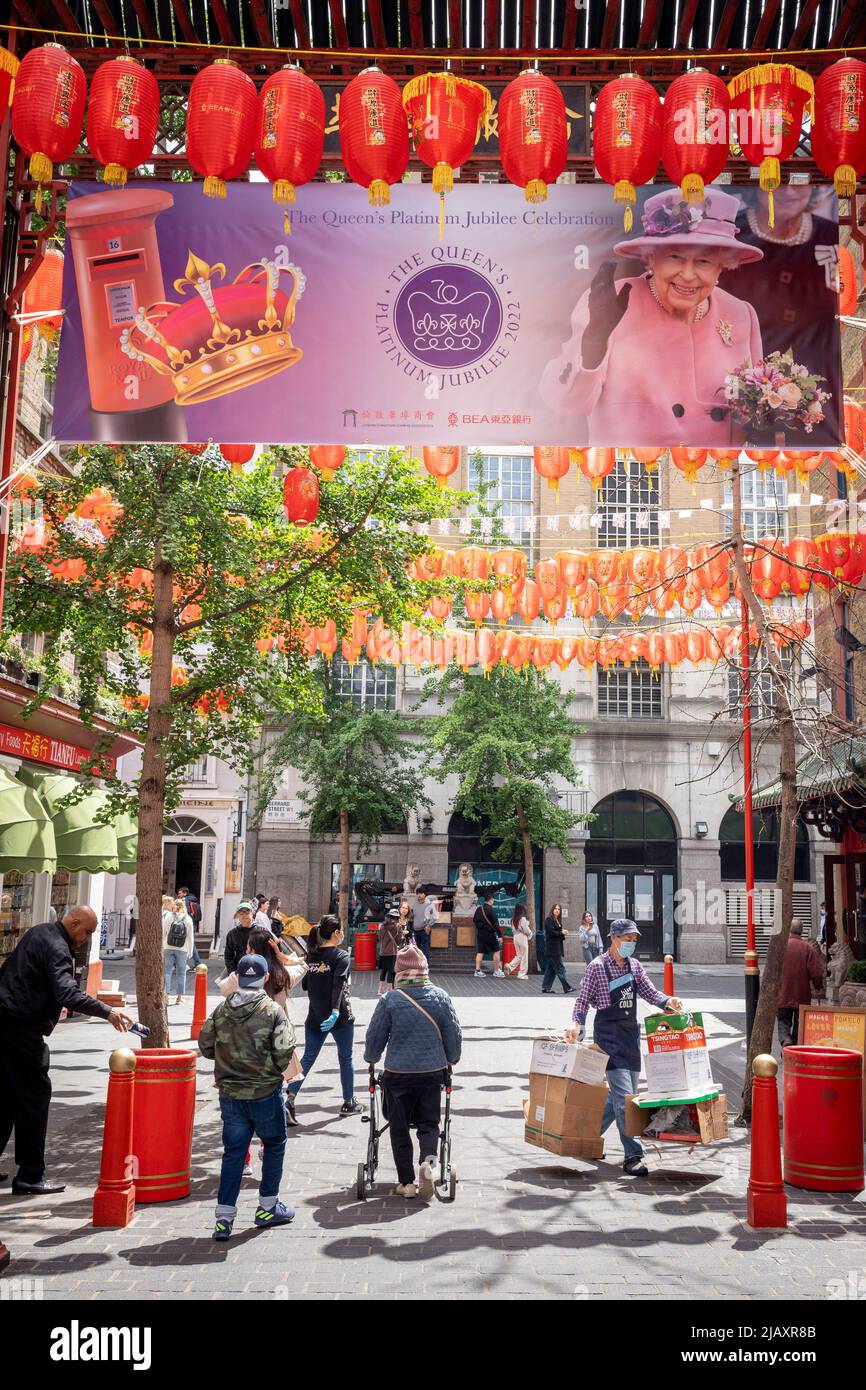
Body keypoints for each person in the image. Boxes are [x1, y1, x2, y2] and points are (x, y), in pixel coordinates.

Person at [540, 187, 763, 447]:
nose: (688, 275)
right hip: (629, 474)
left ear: (722, 266)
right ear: (652, 258)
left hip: (716, 475)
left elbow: (754, 411)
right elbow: (565, 402)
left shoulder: (740, 313)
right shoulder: (612, 301)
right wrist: (594, 344)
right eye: (675, 257)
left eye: (704, 262)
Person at [0, 905, 132, 1194]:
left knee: (7, 1096)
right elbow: (67, 993)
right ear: (73, 922)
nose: (86, 939)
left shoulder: (38, 933)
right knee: (35, 1097)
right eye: (86, 932)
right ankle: (30, 1175)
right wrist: (108, 1012)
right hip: (21, 1028)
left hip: (6, 1021)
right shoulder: (58, 947)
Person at [567, 918, 682, 1176]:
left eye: (634, 940)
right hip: (608, 1038)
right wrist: (576, 1025)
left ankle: (586, 1136)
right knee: (625, 1101)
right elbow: (582, 1002)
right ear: (613, 938)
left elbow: (651, 993)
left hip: (630, 1037)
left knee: (619, 1097)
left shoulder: (635, 966)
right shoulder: (596, 968)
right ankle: (633, 1155)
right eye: (627, 939)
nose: (631, 943)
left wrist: (668, 1001)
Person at [727, 186, 841, 444]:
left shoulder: (831, 236)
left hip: (818, 397)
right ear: (755, 185)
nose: (788, 191)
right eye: (776, 181)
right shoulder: (729, 233)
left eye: (798, 181)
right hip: (734, 390)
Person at [198, 953, 296, 1241]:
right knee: (275, 1143)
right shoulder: (273, 1011)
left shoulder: (220, 1011)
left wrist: (227, 1062)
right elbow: (285, 1049)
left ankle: (224, 1217)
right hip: (265, 1092)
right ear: (265, 978)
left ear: (238, 978)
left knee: (234, 1153)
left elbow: (205, 1046)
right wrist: (272, 1072)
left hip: (231, 1093)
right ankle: (268, 1207)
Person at [364, 941, 462, 1199]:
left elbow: (375, 1038)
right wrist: (452, 1058)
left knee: (398, 1127)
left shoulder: (390, 999)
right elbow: (454, 1035)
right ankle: (428, 1164)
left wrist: (371, 1057)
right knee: (429, 1123)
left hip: (398, 1075)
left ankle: (407, 1183)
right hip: (432, 1073)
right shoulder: (441, 997)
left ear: (399, 972)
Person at [285, 914, 360, 1124]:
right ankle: (348, 1102)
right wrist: (335, 1010)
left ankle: (289, 1100)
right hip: (340, 1017)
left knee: (308, 1058)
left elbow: (306, 985)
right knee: (345, 1058)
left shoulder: (312, 956)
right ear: (337, 933)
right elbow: (339, 985)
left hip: (316, 1015)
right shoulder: (341, 956)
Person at [777, 918, 824, 1049]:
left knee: (783, 1020)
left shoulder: (780, 947)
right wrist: (818, 987)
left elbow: (772, 972)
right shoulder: (807, 948)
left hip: (783, 993)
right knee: (800, 1022)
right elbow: (816, 973)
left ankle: (785, 1039)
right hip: (801, 994)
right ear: (802, 931)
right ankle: (795, 1046)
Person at [163, 895, 194, 1005]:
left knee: (167, 972)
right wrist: (190, 951)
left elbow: (164, 932)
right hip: (182, 948)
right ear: (184, 907)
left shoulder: (169, 916)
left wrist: (163, 945)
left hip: (168, 947)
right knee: (181, 973)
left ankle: (165, 997)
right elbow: (190, 937)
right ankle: (179, 998)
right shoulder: (188, 919)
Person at [224, 901, 270, 974]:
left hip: (259, 968)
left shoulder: (260, 931)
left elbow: (268, 952)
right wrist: (232, 972)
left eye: (247, 913)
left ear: (252, 914)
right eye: (241, 913)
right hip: (238, 968)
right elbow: (228, 955)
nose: (244, 915)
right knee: (222, 982)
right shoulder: (232, 934)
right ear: (237, 916)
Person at [541, 903, 572, 994]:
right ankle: (567, 987)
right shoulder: (549, 920)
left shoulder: (557, 920)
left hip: (556, 948)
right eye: (555, 908)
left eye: (559, 909)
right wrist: (562, 933)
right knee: (560, 968)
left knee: (551, 970)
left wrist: (563, 935)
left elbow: (557, 935)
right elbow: (551, 933)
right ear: (552, 910)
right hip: (552, 950)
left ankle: (545, 987)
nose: (557, 910)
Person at [473, 890, 504, 978]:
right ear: (490, 900)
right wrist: (500, 935)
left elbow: (474, 920)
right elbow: (495, 924)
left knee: (480, 952)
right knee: (496, 951)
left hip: (480, 934)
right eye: (493, 899)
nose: (493, 901)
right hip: (490, 934)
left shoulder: (479, 909)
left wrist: (481, 927)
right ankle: (497, 971)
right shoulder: (491, 910)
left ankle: (477, 970)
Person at [377, 906, 404, 996]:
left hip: (382, 952)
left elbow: (379, 938)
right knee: (391, 971)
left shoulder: (382, 926)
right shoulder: (398, 926)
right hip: (392, 952)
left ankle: (380, 989)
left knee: (383, 971)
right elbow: (399, 941)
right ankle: (389, 990)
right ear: (396, 917)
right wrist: (403, 936)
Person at [505, 901, 532, 980]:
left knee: (519, 955)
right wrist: (530, 933)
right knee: (524, 956)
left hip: (515, 937)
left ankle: (509, 966)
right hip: (522, 937)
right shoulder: (522, 919)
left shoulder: (513, 919)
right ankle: (522, 974)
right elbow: (525, 930)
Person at [410, 888, 437, 966]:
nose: (419, 895)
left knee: (425, 950)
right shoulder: (415, 904)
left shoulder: (429, 904)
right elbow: (413, 916)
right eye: (418, 893)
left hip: (424, 931)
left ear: (425, 894)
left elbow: (434, 917)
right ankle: (416, 965)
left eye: (421, 893)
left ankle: (426, 966)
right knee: (415, 949)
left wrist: (428, 925)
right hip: (415, 930)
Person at [177, 885, 202, 967]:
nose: (178, 895)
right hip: (192, 924)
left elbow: (184, 913)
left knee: (189, 944)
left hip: (186, 925)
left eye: (180, 893)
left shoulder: (185, 901)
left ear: (185, 893)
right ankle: (194, 963)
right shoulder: (192, 899)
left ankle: (197, 963)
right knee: (189, 943)